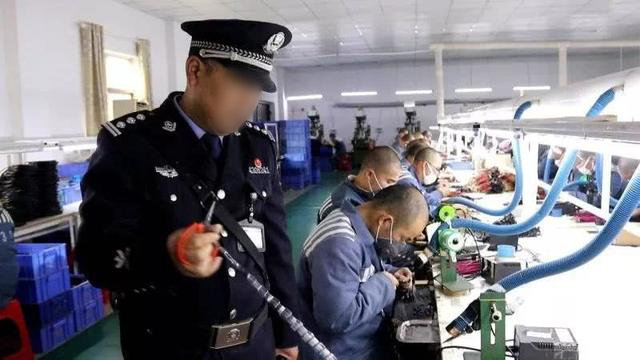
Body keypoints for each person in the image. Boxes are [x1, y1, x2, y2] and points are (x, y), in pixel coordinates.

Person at [76, 19, 299, 359]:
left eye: (256, 90)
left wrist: (287, 334)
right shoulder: (132, 145)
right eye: (239, 83)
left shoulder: (258, 147)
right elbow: (95, 259)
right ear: (195, 71)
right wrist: (168, 253)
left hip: (255, 344)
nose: (248, 102)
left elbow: (278, 249)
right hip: (172, 347)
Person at [298, 185, 428, 360]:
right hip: (342, 351)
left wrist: (393, 272)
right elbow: (337, 318)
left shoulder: (358, 227)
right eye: (403, 238)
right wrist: (386, 283)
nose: (402, 244)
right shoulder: (339, 244)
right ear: (385, 222)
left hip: (363, 338)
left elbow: (362, 271)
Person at [317, 147, 402, 223]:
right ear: (369, 174)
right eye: (390, 182)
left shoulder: (366, 192)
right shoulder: (343, 206)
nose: (393, 187)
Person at [399, 147, 451, 215]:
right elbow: (424, 202)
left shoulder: (412, 174)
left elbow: (422, 190)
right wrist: (441, 192)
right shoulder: (408, 180)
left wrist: (436, 187)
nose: (438, 174)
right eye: (437, 169)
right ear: (425, 165)